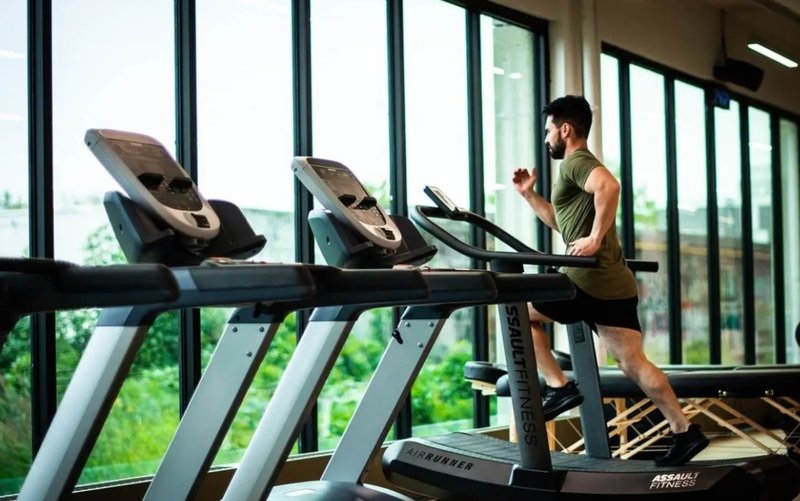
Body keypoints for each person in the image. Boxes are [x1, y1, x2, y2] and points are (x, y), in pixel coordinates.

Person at [511, 95, 708, 467]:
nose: (546, 138)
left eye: (549, 130)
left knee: (517, 312)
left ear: (565, 129)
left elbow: (610, 187)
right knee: (634, 363)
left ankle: (560, 387)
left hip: (584, 281)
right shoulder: (576, 170)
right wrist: (529, 195)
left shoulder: (577, 162)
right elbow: (561, 222)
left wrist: (596, 239)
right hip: (615, 284)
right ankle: (684, 430)